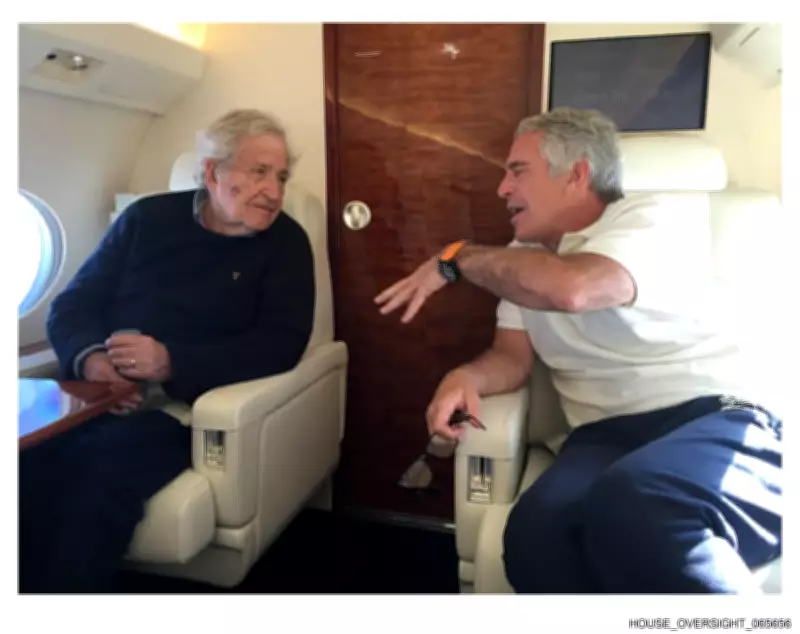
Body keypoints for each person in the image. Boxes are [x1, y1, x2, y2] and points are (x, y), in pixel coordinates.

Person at [374, 107, 782, 594]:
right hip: (603, 437)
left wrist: (457, 256)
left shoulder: (654, 217)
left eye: (518, 171)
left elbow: (575, 289)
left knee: (639, 500)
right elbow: (511, 358)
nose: (502, 189)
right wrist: (463, 378)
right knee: (535, 534)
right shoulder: (520, 264)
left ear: (577, 175)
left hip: (715, 415)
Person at [19, 109, 315, 592]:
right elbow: (72, 305)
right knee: (26, 463)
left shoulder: (286, 244)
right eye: (260, 172)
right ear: (214, 173)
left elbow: (280, 344)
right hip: (95, 398)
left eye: (281, 177)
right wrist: (92, 361)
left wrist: (171, 361)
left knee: (96, 472)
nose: (274, 190)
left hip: (180, 411)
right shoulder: (145, 219)